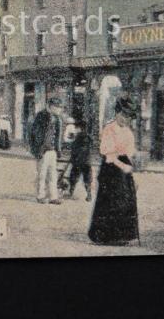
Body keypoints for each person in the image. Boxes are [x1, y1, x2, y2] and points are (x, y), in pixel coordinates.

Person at [88, 95, 140, 245]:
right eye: (123, 115)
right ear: (116, 113)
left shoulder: (128, 132)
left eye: (128, 117)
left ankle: (124, 236)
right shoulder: (109, 129)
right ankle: (106, 236)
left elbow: (129, 154)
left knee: (126, 201)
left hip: (124, 170)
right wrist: (123, 165)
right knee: (111, 201)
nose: (125, 119)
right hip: (111, 169)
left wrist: (132, 173)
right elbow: (109, 155)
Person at [29, 98, 64, 205]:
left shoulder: (58, 118)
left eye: (60, 107)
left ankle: (53, 197)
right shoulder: (41, 116)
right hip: (42, 150)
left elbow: (58, 136)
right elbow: (35, 134)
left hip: (52, 150)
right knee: (42, 174)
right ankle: (40, 196)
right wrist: (38, 149)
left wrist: (58, 150)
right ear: (51, 106)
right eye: (57, 107)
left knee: (53, 174)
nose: (59, 109)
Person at [67, 119, 93, 201]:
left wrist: (74, 157)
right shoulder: (86, 137)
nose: (75, 129)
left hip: (79, 162)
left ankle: (71, 192)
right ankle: (88, 195)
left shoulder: (81, 137)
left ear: (81, 128)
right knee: (87, 179)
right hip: (86, 161)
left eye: (76, 127)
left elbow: (78, 149)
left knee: (74, 177)